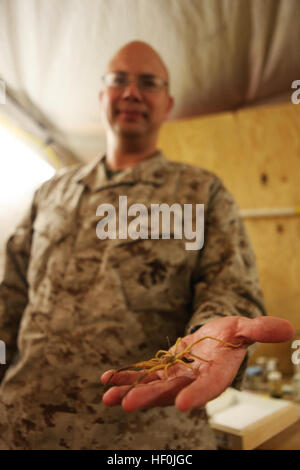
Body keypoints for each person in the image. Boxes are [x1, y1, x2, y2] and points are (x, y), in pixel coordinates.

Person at [0, 41, 294, 450]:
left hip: (146, 439)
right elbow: (9, 297)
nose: (132, 92)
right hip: (24, 429)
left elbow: (230, 286)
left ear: (167, 103)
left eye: (149, 83)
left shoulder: (199, 191)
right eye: (119, 80)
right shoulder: (50, 192)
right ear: (102, 96)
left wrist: (214, 337)